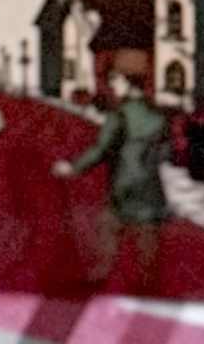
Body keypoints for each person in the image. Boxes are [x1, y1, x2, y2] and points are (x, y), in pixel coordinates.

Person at [52, 71, 169, 285]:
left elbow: (101, 149)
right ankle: (148, 283)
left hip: (124, 181)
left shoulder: (119, 115)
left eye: (117, 83)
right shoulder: (158, 115)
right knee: (147, 236)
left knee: (108, 226)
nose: (113, 88)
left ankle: (100, 273)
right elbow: (164, 151)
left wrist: (73, 167)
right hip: (150, 185)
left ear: (129, 86)